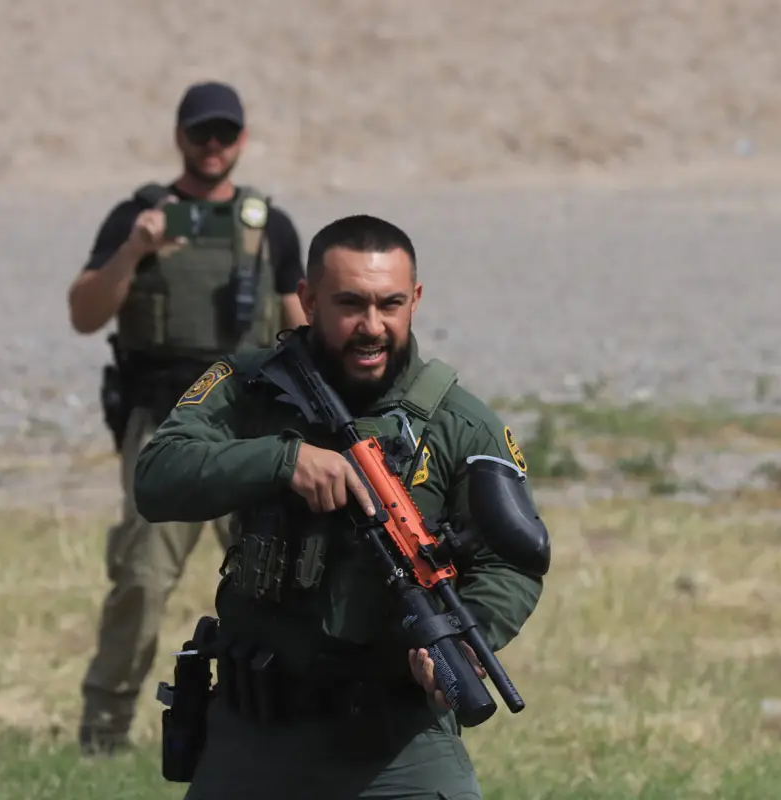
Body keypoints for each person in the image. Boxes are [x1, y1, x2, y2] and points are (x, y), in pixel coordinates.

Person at [131, 214, 546, 799]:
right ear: (307, 299)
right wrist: (284, 461)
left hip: (399, 741)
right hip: (257, 733)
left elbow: (515, 560)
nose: (371, 326)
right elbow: (156, 477)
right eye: (350, 304)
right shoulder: (248, 387)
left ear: (415, 301)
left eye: (390, 304)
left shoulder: (460, 423)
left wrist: (467, 631)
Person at [65, 80, 309, 755]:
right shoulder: (137, 217)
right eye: (201, 132)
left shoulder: (271, 227)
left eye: (224, 134)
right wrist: (134, 253)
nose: (212, 146)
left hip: (250, 424)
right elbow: (85, 313)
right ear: (179, 135)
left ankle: (270, 729)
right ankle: (104, 736)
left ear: (242, 140)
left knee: (271, 577)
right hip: (165, 421)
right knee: (142, 579)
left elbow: (302, 331)